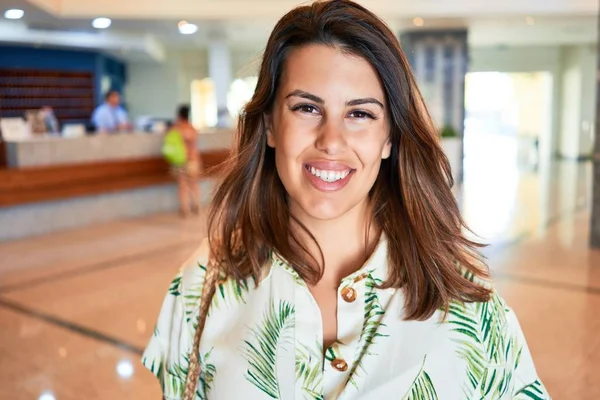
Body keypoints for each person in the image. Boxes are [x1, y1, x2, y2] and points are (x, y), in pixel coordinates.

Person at [142, 1, 549, 399]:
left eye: (360, 114)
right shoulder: (203, 285)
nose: (331, 141)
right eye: (306, 108)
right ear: (269, 126)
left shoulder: (467, 303)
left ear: (389, 136)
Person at [169, 105, 202, 217]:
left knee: (182, 184)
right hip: (193, 159)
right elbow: (193, 141)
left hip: (181, 159)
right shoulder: (192, 128)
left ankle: (184, 208)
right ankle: (196, 204)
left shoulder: (176, 128)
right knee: (194, 183)